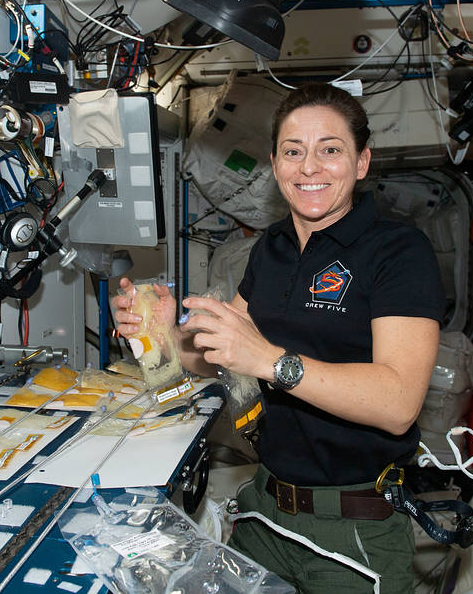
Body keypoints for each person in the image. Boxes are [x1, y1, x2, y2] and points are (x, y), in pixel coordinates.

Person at [113, 82, 444, 593]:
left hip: (354, 525)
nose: (309, 167)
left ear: (361, 162)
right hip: (264, 510)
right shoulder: (273, 247)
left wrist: (269, 359)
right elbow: (222, 355)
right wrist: (152, 335)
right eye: (294, 151)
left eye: (330, 149)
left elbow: (399, 400)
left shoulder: (398, 252)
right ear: (275, 164)